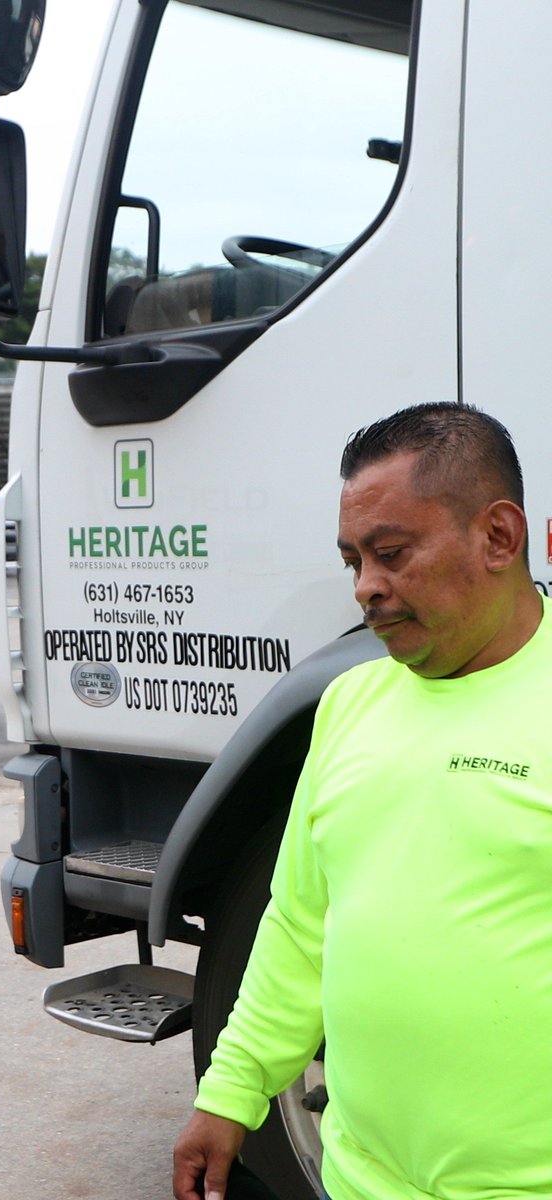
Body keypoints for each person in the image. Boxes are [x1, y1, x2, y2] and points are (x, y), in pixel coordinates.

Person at [173, 402, 550, 1200]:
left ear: (498, 537)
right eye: (353, 561)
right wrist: (230, 1093)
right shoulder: (349, 706)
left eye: (391, 553)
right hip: (359, 1180)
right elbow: (298, 927)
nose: (366, 589)